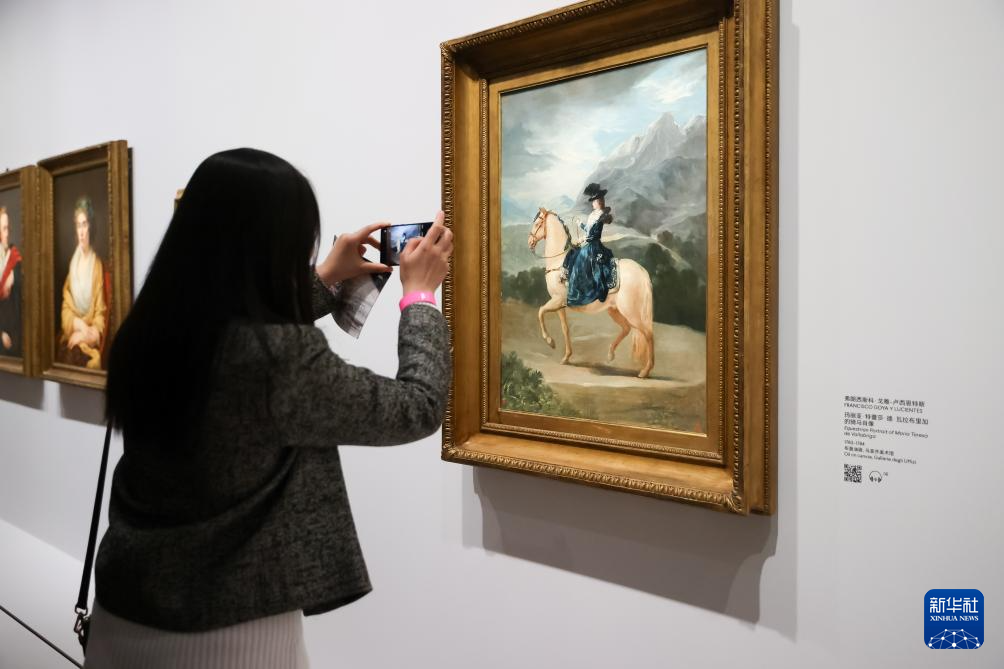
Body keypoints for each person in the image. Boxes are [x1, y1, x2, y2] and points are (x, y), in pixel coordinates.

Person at [85, 148, 453, 668]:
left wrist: (324, 278)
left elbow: (239, 331)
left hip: (121, 613)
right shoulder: (277, 360)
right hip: (226, 635)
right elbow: (417, 407)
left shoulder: (151, 329)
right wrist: (419, 297)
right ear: (272, 247)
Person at [57, 196, 107, 369]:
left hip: (88, 337)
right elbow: (66, 307)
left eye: (84, 224)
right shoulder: (73, 265)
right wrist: (76, 323)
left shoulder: (97, 266)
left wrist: (86, 335)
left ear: (90, 227)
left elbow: (100, 313)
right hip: (73, 333)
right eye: (78, 225)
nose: (81, 232)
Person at [561, 182, 618, 306]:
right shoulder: (593, 215)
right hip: (589, 242)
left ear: (599, 202)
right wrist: (580, 224)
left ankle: (580, 293)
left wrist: (583, 240)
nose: (593, 203)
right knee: (573, 252)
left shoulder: (601, 215)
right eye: (593, 201)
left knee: (581, 262)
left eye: (595, 201)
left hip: (594, 245)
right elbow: (588, 230)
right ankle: (566, 277)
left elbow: (595, 234)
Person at [0, 206, 23, 356]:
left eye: (8, 228)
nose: (7, 233)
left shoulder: (15, 257)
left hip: (15, 333)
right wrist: (0, 334)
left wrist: (14, 275)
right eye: (4, 229)